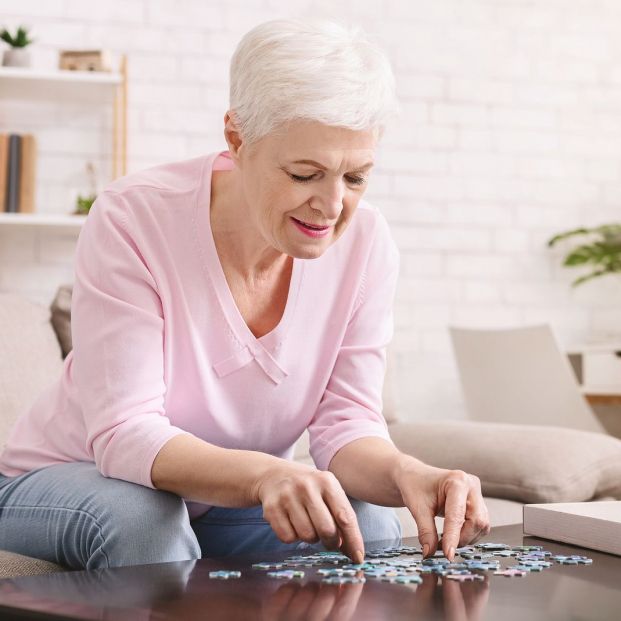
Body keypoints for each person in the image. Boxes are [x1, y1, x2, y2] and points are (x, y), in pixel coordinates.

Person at [0, 18, 490, 570]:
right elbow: (125, 434)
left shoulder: (368, 244)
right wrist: (266, 474)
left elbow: (347, 425)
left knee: (370, 521)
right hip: (67, 479)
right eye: (305, 174)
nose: (331, 206)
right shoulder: (133, 218)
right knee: (143, 519)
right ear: (237, 138)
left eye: (355, 178)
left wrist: (408, 473)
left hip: (222, 505)